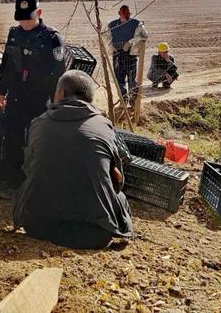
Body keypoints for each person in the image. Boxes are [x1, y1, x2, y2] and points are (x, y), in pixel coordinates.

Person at [13, 70, 133, 249]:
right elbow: (117, 181)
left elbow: (29, 169)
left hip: (38, 226)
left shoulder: (38, 123)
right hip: (93, 234)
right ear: (90, 98)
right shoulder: (103, 126)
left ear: (60, 93)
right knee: (120, 197)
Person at [0, 0, 65, 193]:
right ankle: (13, 182)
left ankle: (39, 183)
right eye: (21, 19)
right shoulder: (14, 34)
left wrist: (56, 101)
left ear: (39, 13)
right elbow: (7, 65)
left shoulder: (52, 39)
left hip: (41, 99)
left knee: (40, 141)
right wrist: (2, 91)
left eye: (28, 18)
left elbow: (59, 74)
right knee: (12, 138)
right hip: (17, 97)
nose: (24, 23)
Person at [107, 4, 148, 104]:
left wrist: (131, 42)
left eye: (128, 13)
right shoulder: (112, 25)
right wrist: (110, 45)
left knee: (131, 79)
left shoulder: (136, 23)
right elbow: (106, 37)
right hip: (117, 55)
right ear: (119, 13)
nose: (126, 15)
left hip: (130, 55)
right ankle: (123, 99)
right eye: (124, 13)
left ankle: (133, 101)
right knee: (119, 79)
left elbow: (144, 35)